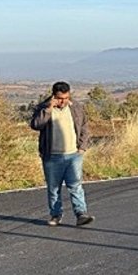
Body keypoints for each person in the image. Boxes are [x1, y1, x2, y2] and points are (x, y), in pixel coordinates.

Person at [30, 82, 95, 227]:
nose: (63, 101)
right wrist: (48, 109)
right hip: (52, 156)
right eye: (60, 98)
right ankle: (56, 215)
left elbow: (84, 127)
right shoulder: (43, 108)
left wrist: (82, 147)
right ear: (54, 96)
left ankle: (81, 214)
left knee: (75, 186)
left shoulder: (76, 107)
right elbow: (36, 125)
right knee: (54, 188)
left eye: (66, 98)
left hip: (74, 155)